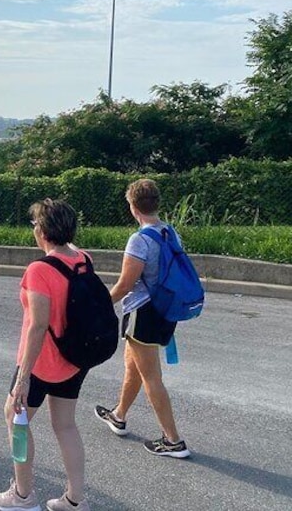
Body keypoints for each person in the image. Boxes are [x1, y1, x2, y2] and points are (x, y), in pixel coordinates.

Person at [0, 198, 91, 511]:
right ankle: (76, 499)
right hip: (73, 359)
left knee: (16, 418)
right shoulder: (82, 258)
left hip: (40, 362)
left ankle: (22, 495)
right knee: (66, 425)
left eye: (36, 224)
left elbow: (37, 325)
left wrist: (22, 378)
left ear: (43, 232)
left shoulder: (39, 270)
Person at [94, 178, 191, 459]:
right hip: (163, 311)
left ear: (133, 207)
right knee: (132, 367)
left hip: (142, 313)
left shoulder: (140, 239)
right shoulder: (170, 233)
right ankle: (119, 415)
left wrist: (101, 305)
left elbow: (126, 284)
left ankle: (173, 441)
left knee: (151, 377)